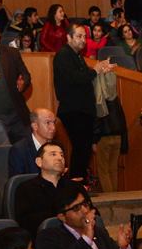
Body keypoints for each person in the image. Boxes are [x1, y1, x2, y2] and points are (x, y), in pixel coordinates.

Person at [54, 25, 112, 180]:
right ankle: (76, 184)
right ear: (69, 37)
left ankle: (79, 183)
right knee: (81, 148)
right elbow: (75, 78)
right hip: (73, 109)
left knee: (84, 149)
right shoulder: (63, 55)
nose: (83, 40)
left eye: (84, 37)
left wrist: (100, 70)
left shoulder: (77, 56)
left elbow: (85, 76)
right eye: (79, 36)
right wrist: (95, 70)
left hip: (82, 109)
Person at [13, 141, 70, 238]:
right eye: (53, 154)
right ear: (39, 162)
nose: (60, 158)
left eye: (62, 155)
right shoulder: (26, 189)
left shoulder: (74, 187)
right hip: (44, 239)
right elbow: (26, 223)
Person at [9, 109, 60, 177]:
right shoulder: (19, 150)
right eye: (48, 123)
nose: (53, 128)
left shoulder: (58, 146)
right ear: (35, 126)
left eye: (54, 122)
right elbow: (18, 180)